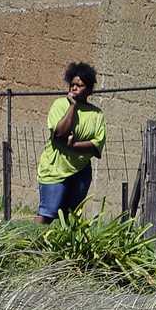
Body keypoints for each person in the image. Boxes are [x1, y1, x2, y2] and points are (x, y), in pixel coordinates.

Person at [35, 62, 106, 224]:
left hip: (80, 172)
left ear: (88, 90)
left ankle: (63, 247)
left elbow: (97, 146)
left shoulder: (96, 114)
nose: (74, 88)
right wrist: (72, 107)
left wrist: (73, 146)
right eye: (72, 84)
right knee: (47, 214)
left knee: (72, 217)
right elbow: (60, 133)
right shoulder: (60, 105)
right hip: (55, 170)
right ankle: (31, 245)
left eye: (79, 86)